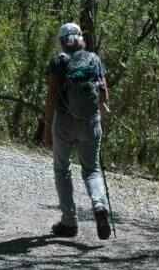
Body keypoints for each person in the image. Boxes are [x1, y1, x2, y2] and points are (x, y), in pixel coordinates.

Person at [44, 23, 111, 240]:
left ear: (62, 41)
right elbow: (104, 98)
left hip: (64, 121)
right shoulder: (94, 59)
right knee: (92, 170)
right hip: (91, 122)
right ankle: (99, 206)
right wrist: (99, 122)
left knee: (62, 169)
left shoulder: (59, 61)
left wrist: (47, 127)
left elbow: (52, 96)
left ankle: (69, 222)